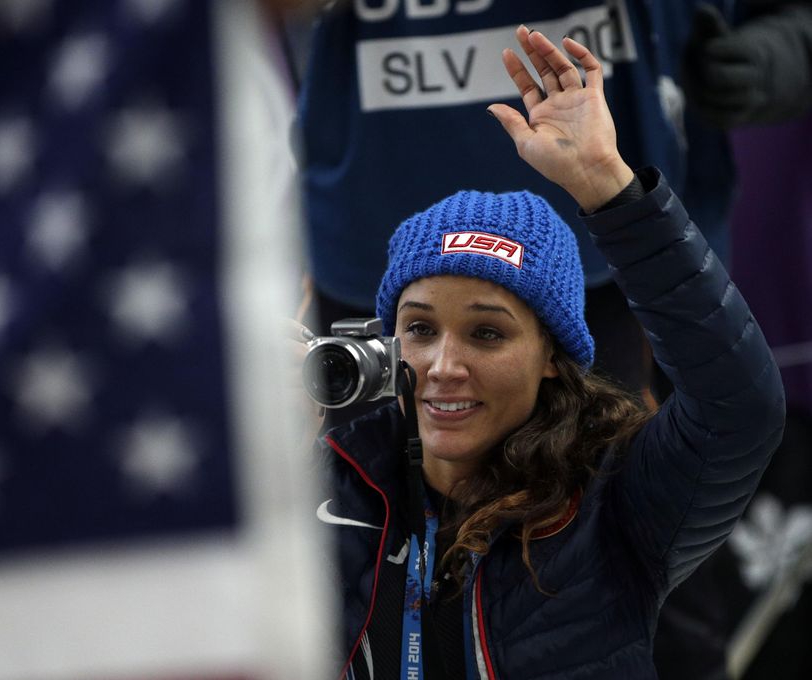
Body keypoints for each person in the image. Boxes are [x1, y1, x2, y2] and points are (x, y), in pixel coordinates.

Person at [301, 26, 785, 678]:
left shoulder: (618, 500)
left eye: (487, 333)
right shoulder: (332, 484)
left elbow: (738, 407)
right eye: (419, 330)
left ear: (553, 354)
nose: (444, 365)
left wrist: (607, 188)